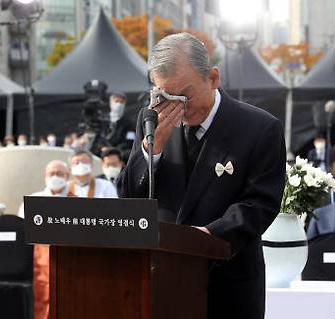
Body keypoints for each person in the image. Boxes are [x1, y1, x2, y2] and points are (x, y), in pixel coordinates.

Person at [117, 33, 286, 319]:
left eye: (186, 94)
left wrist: (209, 236)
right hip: (162, 278)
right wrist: (150, 150)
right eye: (164, 95)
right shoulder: (151, 120)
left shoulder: (259, 128)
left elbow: (260, 204)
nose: (178, 106)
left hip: (228, 283)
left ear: (213, 78)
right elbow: (129, 196)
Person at [17, 160, 74, 319]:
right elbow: (22, 230)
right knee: (41, 295)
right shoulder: (33, 200)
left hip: (69, 258)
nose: (55, 177)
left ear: (67, 176)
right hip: (39, 258)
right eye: (52, 173)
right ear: (45, 176)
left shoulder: (77, 201)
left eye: (60, 173)